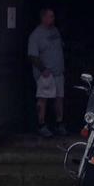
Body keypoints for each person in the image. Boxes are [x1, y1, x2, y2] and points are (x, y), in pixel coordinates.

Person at [27, 7, 66, 137]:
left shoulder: (55, 31)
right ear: (43, 18)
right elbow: (32, 55)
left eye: (53, 16)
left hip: (58, 72)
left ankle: (59, 123)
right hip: (45, 74)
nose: (53, 19)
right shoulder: (36, 35)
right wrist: (43, 69)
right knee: (43, 99)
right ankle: (41, 124)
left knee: (59, 98)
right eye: (50, 16)